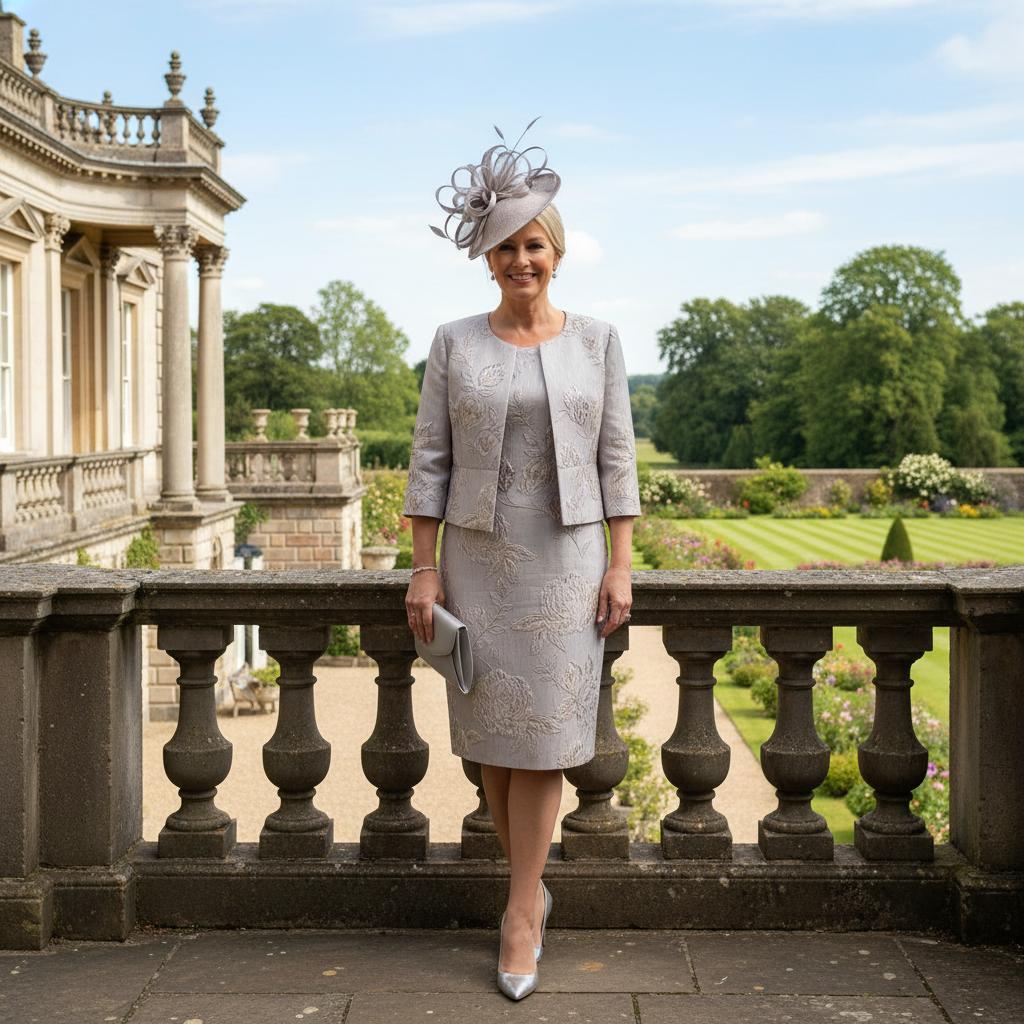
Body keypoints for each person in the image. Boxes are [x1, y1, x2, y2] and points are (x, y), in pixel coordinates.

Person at [402, 119, 641, 1000]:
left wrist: (621, 563)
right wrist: (423, 568)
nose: (519, 260)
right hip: (475, 558)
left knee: (543, 742)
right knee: (497, 744)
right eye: (504, 248)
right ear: (487, 259)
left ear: (557, 250)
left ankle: (520, 911)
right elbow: (429, 459)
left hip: (569, 559)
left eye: (533, 244)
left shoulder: (600, 341)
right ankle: (528, 888)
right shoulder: (453, 341)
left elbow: (619, 459)